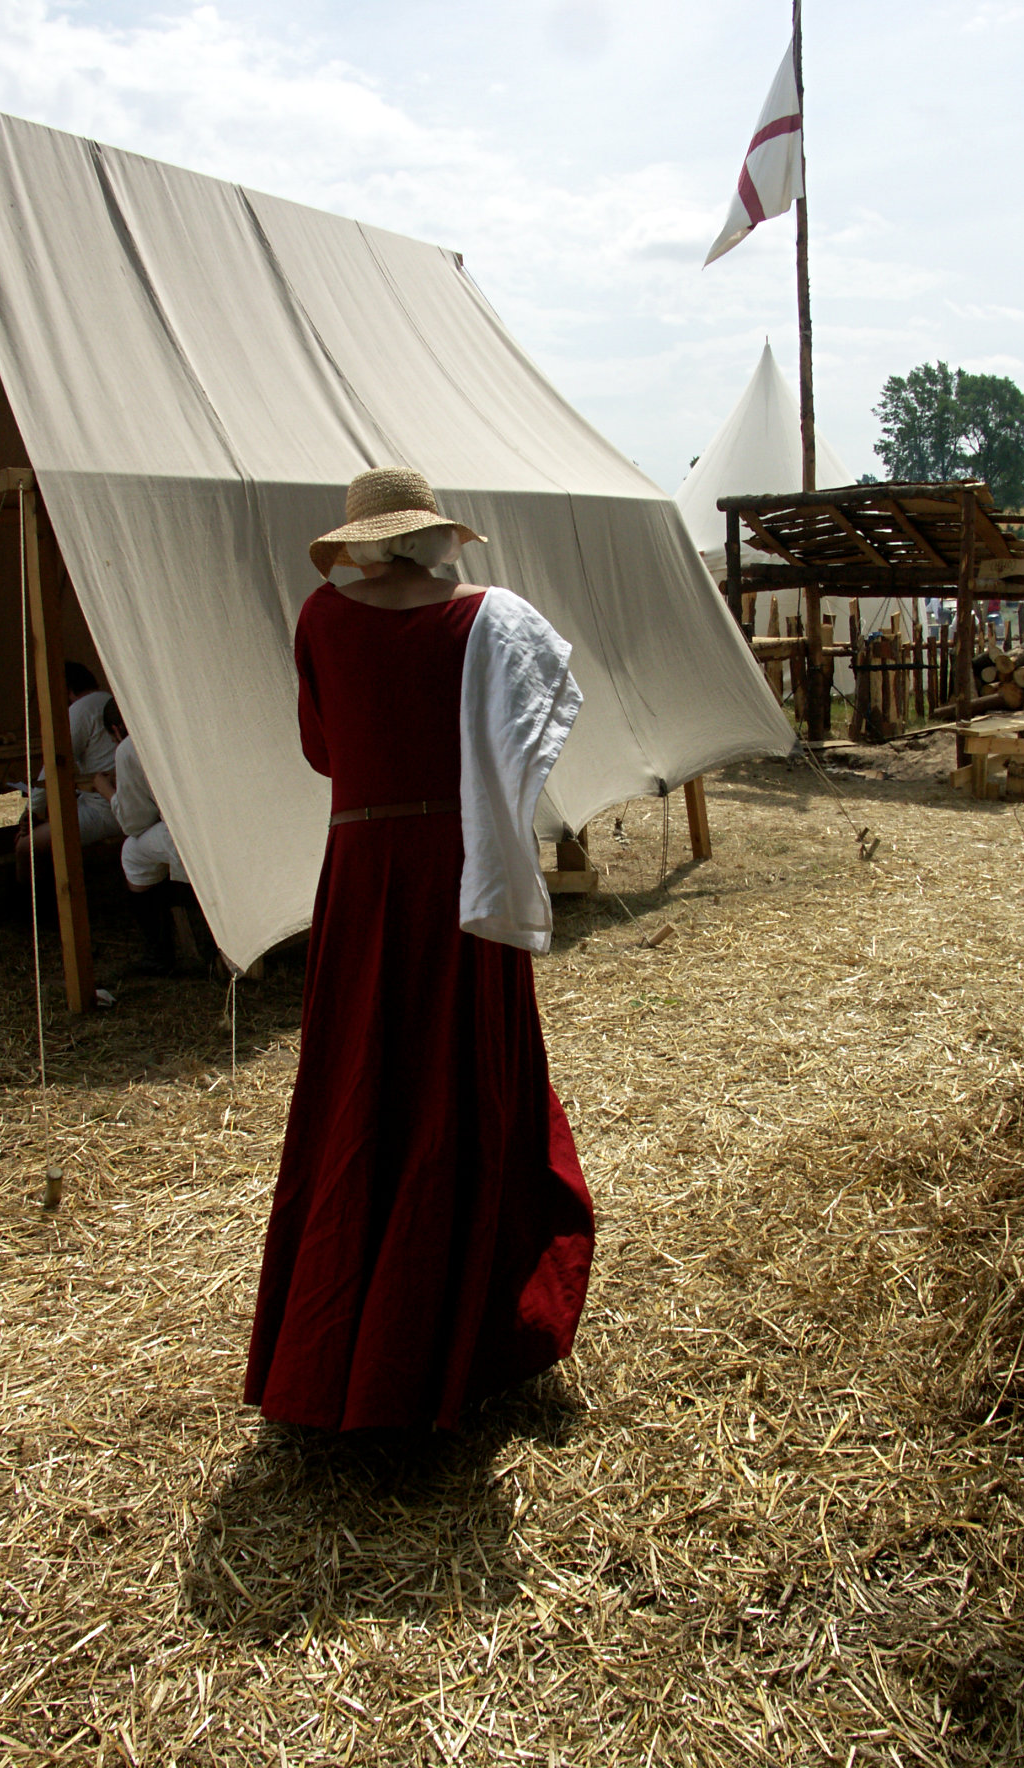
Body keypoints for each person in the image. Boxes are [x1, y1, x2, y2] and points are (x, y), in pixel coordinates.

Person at [245, 467, 595, 1434]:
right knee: (460, 1077)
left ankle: (339, 1348)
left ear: (362, 540)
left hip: (364, 868)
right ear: (435, 533)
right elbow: (531, 735)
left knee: (360, 1077)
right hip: (455, 864)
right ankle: (467, 1335)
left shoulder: (322, 617)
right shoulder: (490, 620)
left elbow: (323, 751)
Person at [95, 700, 204, 975]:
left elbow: (134, 822)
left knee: (132, 852)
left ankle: (159, 953)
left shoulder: (129, 747)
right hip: (219, 820)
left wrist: (108, 791)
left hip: (191, 831)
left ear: (116, 729)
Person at [15, 661, 123, 881]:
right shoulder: (111, 700)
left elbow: (55, 764)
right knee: (51, 818)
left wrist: (32, 812)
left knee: (25, 847)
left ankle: (33, 899)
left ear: (66, 690)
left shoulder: (80, 710)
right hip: (116, 802)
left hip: (106, 810)